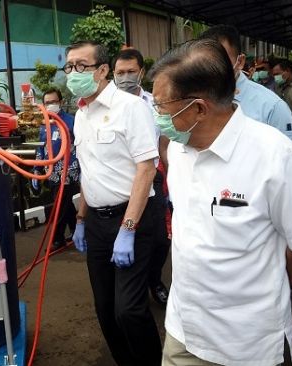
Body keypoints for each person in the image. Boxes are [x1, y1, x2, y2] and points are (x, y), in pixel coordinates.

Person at [150, 38, 292, 366]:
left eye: (162, 106)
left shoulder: (275, 157)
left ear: (199, 108)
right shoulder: (178, 149)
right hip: (184, 329)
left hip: (246, 342)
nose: (157, 115)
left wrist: (273, 284)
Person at [67, 40, 162, 365]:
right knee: (105, 310)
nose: (73, 72)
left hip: (132, 218)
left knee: (130, 310)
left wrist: (129, 227)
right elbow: (89, 171)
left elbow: (146, 168)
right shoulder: (80, 114)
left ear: (102, 70)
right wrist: (81, 218)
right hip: (96, 222)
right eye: (69, 66)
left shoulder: (130, 107)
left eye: (81, 65)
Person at [113, 48, 170, 306]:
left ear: (142, 72)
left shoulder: (155, 105)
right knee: (123, 234)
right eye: (120, 73)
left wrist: (172, 182)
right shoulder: (105, 107)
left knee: (159, 239)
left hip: (152, 178)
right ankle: (131, 288)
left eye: (131, 72)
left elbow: (166, 145)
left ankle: (154, 279)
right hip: (118, 181)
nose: (125, 77)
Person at [200, 25, 292, 141]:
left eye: (221, 60)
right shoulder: (194, 102)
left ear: (240, 61)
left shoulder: (272, 107)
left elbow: (284, 156)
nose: (212, 68)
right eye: (205, 61)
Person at [32, 88, 79, 250]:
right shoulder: (44, 124)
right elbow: (41, 147)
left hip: (68, 171)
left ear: (61, 102)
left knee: (59, 205)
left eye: (54, 102)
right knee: (65, 203)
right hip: (51, 171)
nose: (51, 105)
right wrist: (36, 169)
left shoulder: (72, 121)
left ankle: (58, 239)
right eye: (47, 103)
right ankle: (76, 229)